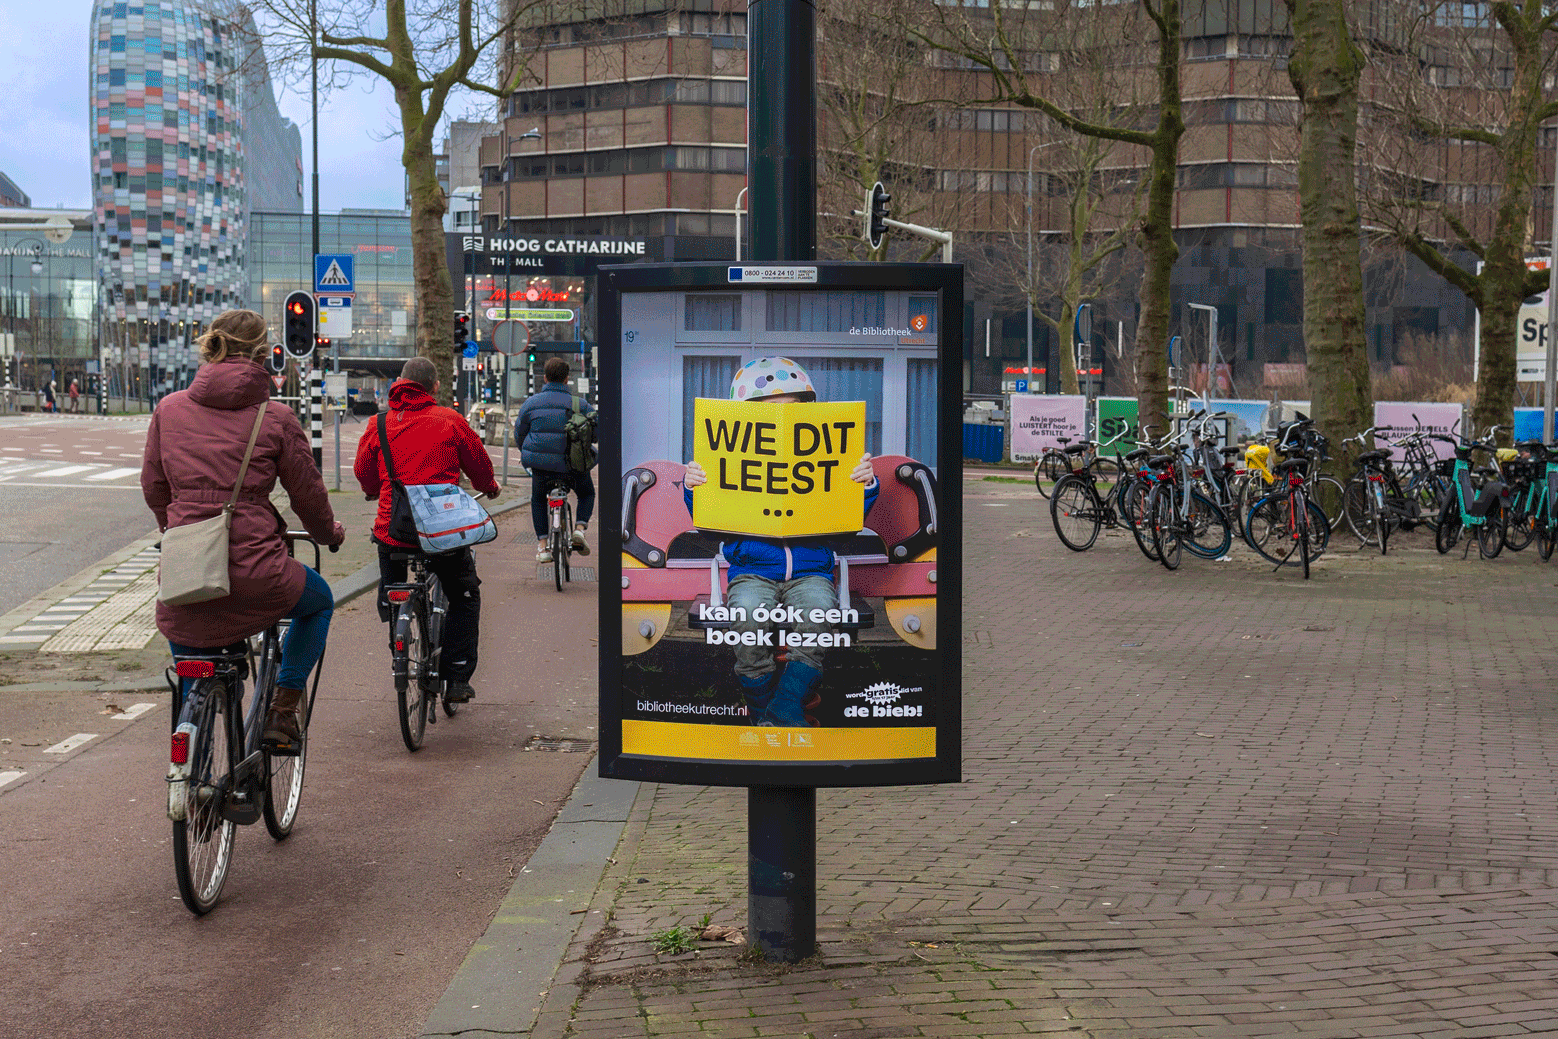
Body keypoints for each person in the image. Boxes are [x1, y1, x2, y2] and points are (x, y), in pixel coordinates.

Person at [141, 309, 345, 754]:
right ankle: (283, 708)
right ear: (261, 353)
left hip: (186, 572)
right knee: (319, 603)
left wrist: (178, 531)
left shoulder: (169, 409)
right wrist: (329, 533)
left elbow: (154, 487)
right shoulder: (275, 418)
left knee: (194, 665)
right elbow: (307, 495)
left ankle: (188, 755)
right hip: (259, 573)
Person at [681, 357, 878, 727]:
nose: (783, 417)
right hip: (752, 570)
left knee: (819, 615)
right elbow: (708, 518)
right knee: (747, 619)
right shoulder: (725, 460)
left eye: (792, 408)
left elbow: (850, 516)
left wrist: (864, 484)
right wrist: (695, 487)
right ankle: (761, 712)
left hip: (811, 571)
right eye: (771, 411)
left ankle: (785, 704)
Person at [355, 356, 500, 703]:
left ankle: (400, 651)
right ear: (435, 387)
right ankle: (457, 676)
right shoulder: (450, 420)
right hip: (441, 533)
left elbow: (364, 472)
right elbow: (479, 464)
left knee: (393, 591)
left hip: (394, 530)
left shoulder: (379, 423)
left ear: (399, 382)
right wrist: (489, 486)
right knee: (465, 595)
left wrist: (374, 488)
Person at [515, 357, 595, 562]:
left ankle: (542, 547)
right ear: (567, 379)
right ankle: (579, 529)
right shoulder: (580, 404)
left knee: (538, 500)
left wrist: (530, 453)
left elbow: (520, 435)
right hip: (573, 467)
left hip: (542, 468)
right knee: (586, 493)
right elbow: (595, 434)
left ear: (545, 378)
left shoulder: (530, 404)